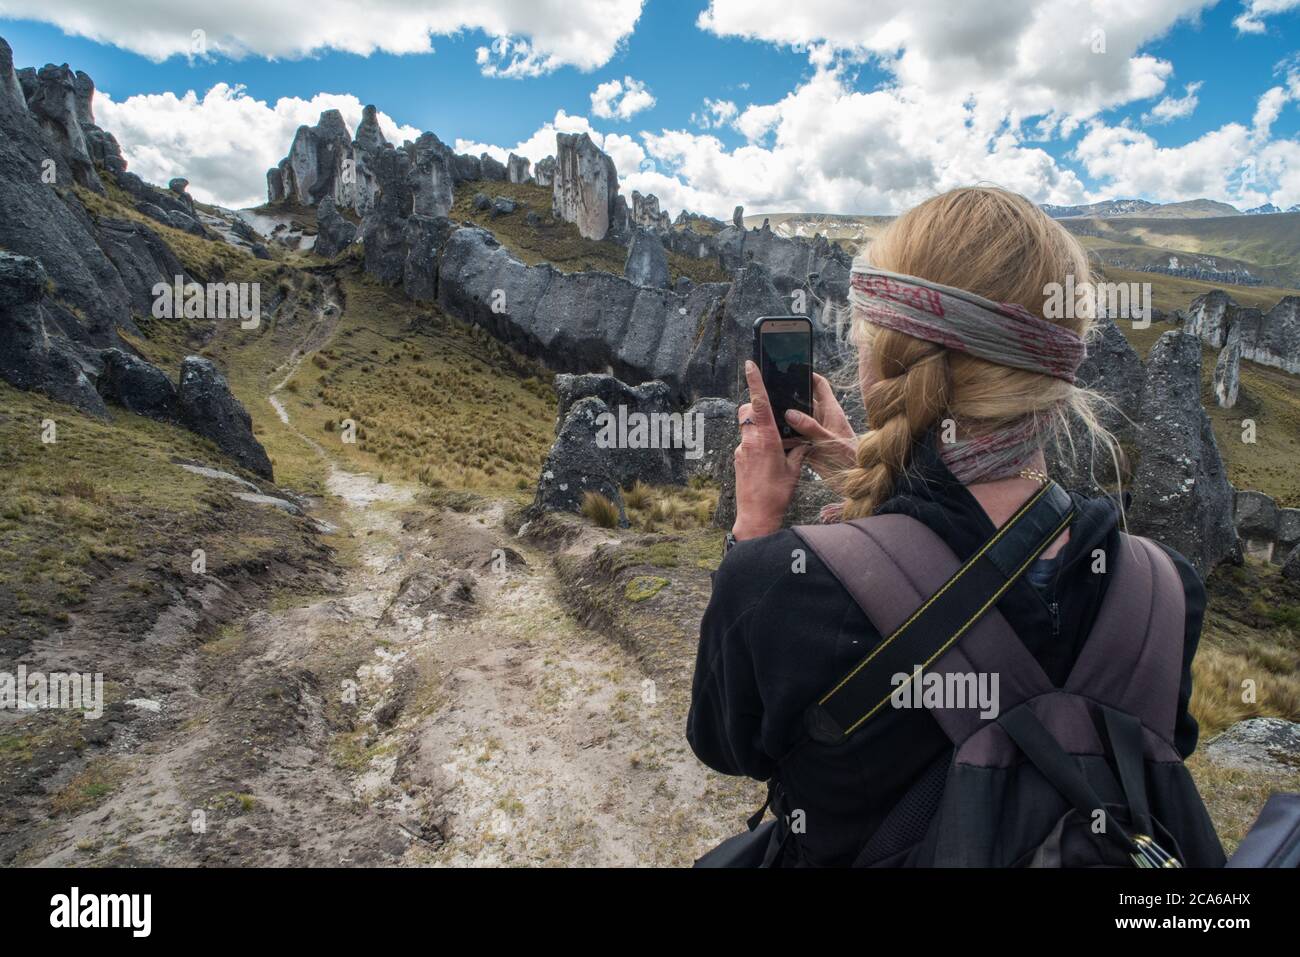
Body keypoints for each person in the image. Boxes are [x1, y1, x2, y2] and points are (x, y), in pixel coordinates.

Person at [687, 186, 1211, 867]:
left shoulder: (782, 584)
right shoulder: (1163, 592)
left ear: (884, 357)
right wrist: (872, 485)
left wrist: (755, 528)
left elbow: (725, 743)